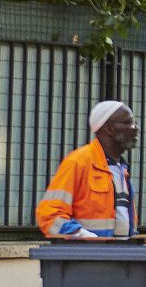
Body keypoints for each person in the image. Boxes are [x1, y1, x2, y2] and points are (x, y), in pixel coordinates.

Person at [35, 100, 139, 239]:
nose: (135, 128)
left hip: (118, 256)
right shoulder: (78, 162)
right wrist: (83, 237)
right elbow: (49, 215)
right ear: (108, 129)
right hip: (85, 257)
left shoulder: (121, 170)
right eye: (127, 123)